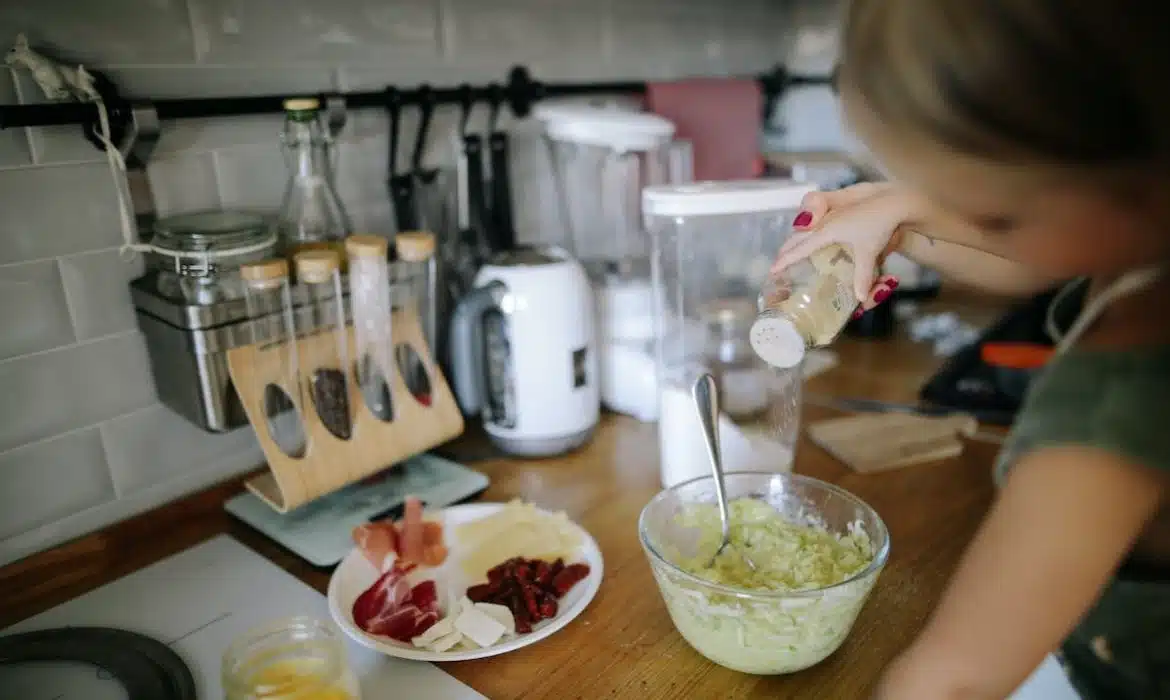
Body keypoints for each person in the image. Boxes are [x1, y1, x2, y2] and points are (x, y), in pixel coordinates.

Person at [770, 2, 1170, 699]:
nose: (973, 224)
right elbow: (1057, 254)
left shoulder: (1111, 410)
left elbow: (950, 683)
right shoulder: (1142, 241)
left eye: (990, 213)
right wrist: (905, 219)